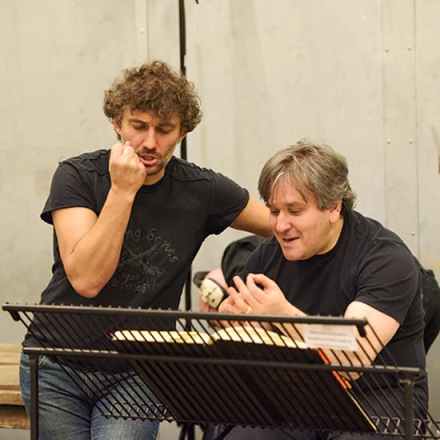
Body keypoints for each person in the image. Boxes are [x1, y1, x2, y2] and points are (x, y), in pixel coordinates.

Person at [19, 60, 271, 440]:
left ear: (182, 131)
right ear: (117, 124)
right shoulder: (78, 176)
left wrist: (233, 272)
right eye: (138, 126)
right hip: (56, 364)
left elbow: (285, 226)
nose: (150, 143)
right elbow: (87, 279)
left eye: (164, 129)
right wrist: (123, 190)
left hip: (138, 370)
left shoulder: (202, 190)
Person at [212, 142, 428, 440]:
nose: (280, 225)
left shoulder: (386, 258)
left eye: (294, 211)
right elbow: (236, 329)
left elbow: (350, 361)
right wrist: (232, 320)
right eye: (274, 211)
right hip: (299, 394)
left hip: (379, 396)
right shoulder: (268, 255)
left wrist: (281, 316)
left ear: (334, 207)